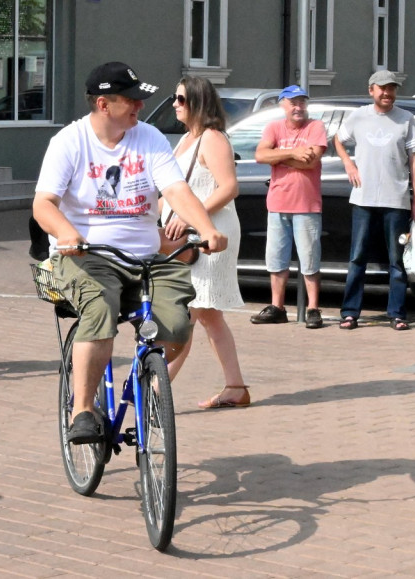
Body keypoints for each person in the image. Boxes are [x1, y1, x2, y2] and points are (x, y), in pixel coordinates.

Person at [33, 61, 228, 444]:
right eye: (132, 100)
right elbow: (44, 205)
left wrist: (205, 228)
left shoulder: (150, 137)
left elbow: (175, 190)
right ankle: (83, 410)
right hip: (87, 256)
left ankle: (144, 374)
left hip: (146, 257)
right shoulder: (69, 143)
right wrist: (67, 234)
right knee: (99, 310)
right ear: (104, 104)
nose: (140, 107)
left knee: (176, 326)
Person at [159, 76, 249, 409]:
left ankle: (156, 391)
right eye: (175, 97)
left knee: (187, 313)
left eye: (180, 99)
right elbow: (172, 191)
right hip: (186, 236)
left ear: (197, 102)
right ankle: (236, 387)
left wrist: (191, 215)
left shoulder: (213, 139)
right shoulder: (185, 140)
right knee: (209, 315)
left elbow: (228, 188)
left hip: (209, 236)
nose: (174, 104)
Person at [334, 70, 415, 331]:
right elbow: (338, 139)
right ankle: (350, 313)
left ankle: (397, 313)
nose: (387, 93)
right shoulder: (359, 116)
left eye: (392, 89)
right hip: (363, 197)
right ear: (371, 90)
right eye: (382, 88)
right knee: (357, 257)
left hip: (396, 199)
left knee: (397, 261)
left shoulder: (406, 119)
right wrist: (348, 164)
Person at [252, 85, 328, 329]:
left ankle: (313, 308)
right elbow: (260, 155)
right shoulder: (273, 127)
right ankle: (277, 307)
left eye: (302, 102)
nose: (298, 107)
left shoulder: (315, 127)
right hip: (278, 203)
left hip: (307, 204)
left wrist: (278, 155)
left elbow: (311, 161)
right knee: (276, 259)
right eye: (293, 102)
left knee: (309, 259)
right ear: (283, 105)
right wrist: (294, 152)